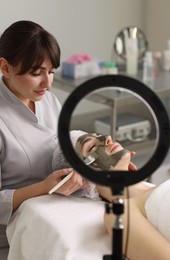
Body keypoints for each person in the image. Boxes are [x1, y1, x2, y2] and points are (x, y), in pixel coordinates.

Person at [0, 20, 85, 260]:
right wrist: (45, 187)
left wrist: (88, 156)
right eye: (36, 73)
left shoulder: (48, 100)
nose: (47, 83)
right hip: (14, 232)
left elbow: (63, 144)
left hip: (59, 210)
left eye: (51, 72)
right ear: (5, 67)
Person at [52, 130, 170, 260]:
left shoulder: (161, 186)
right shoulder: (120, 215)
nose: (108, 138)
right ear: (83, 179)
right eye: (92, 147)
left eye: (100, 136)